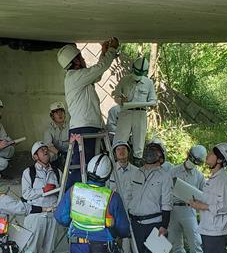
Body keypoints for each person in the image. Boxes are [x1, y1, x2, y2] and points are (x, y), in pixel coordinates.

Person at [57, 38, 120, 187]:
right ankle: (70, 198)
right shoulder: (75, 77)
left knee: (89, 167)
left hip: (87, 127)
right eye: (81, 57)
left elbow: (96, 75)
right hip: (83, 128)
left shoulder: (78, 77)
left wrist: (103, 54)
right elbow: (99, 69)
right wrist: (111, 51)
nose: (84, 59)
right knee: (83, 168)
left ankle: (77, 198)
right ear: (76, 61)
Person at [129, 138, 173, 253]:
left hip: (155, 224)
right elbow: (128, 196)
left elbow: (167, 203)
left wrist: (164, 225)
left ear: (161, 157)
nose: (150, 153)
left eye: (155, 151)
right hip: (136, 223)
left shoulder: (165, 176)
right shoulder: (136, 173)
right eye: (149, 150)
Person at [20, 142, 61, 253]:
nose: (45, 152)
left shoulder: (57, 171)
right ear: (35, 156)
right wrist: (43, 190)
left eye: (46, 150)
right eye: (41, 150)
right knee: (31, 250)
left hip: (52, 215)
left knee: (49, 250)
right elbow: (26, 194)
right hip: (36, 216)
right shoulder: (29, 172)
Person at [166, 144, 207, 253]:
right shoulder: (174, 170)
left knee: (194, 235)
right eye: (192, 158)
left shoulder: (199, 176)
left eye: (197, 161)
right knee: (174, 236)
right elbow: (166, 189)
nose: (193, 162)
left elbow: (203, 194)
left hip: (189, 208)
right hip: (173, 207)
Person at [113, 57, 157, 165]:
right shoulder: (124, 80)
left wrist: (150, 104)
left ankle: (137, 165)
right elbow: (116, 95)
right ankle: (116, 164)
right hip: (126, 112)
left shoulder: (148, 83)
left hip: (140, 113)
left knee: (139, 143)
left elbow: (153, 100)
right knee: (120, 140)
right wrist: (121, 100)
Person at [107, 139, 140, 213]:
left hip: (131, 212)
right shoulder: (109, 170)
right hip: (112, 211)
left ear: (128, 152)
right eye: (118, 149)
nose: (121, 151)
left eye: (124, 149)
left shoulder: (137, 172)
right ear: (115, 154)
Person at [43, 101, 69, 168]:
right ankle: (53, 171)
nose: (60, 114)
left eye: (61, 112)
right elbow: (48, 145)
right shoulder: (48, 130)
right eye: (57, 113)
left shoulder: (71, 126)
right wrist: (60, 153)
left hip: (69, 152)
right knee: (50, 154)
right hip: (57, 153)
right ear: (52, 116)